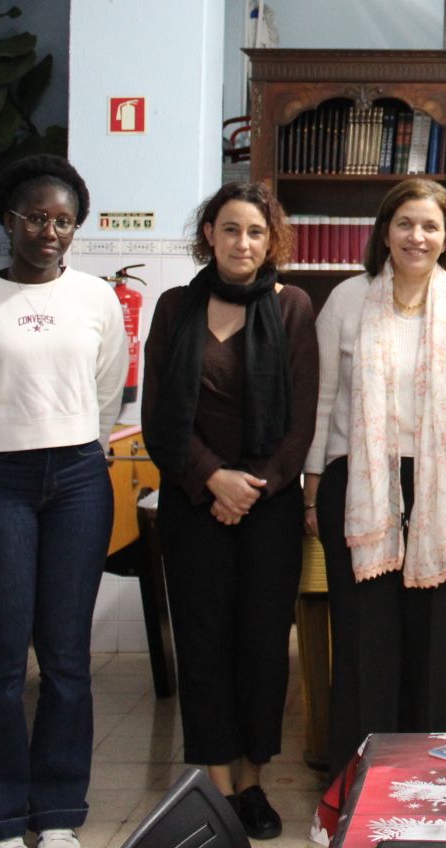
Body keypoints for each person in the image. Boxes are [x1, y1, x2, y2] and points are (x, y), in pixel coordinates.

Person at [0, 155, 127, 848]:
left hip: (76, 480)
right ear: (8, 219)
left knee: (67, 655)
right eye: (37, 217)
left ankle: (60, 814)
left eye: (64, 220)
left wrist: (81, 449)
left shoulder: (96, 299)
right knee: (2, 655)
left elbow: (107, 391)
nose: (51, 231)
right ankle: (2, 818)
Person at [304, 178, 446, 769]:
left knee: (428, 637)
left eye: (430, 226)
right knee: (364, 638)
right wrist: (312, 485)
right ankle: (359, 775)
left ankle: (424, 773)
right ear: (385, 232)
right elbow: (323, 399)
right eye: (405, 224)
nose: (417, 236)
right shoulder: (347, 299)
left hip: (445, 486)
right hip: (359, 483)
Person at [140, 182, 317, 839]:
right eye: (232, 229)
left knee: (263, 650)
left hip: (268, 509)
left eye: (256, 232)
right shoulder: (174, 308)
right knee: (204, 645)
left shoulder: (293, 307)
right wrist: (214, 479)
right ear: (209, 233)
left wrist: (255, 487)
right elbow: (160, 416)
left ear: (272, 242)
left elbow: (302, 420)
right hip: (193, 504)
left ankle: (252, 785)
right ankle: (213, 787)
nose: (244, 243)